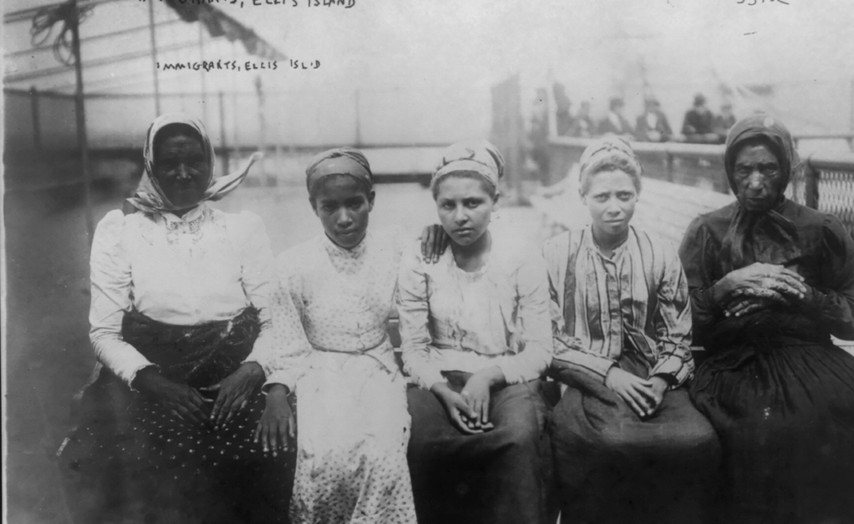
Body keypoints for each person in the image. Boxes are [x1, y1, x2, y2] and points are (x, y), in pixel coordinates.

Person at [678, 114, 854, 524]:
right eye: (744, 169)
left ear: (786, 170)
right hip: (733, 365)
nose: (755, 181)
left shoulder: (821, 229)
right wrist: (726, 288)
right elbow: (676, 314)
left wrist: (804, 296)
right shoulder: (707, 231)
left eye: (768, 169)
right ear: (730, 172)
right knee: (766, 438)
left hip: (812, 360)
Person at [59, 113, 293, 523]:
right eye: (169, 163)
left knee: (267, 452)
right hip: (154, 382)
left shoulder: (242, 229)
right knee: (126, 464)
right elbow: (105, 333)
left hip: (232, 381)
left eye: (195, 162)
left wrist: (254, 369)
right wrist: (154, 384)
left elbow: (276, 321)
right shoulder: (122, 231)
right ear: (151, 166)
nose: (184, 174)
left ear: (210, 164)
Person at [544, 136, 720, 524]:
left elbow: (678, 336)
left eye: (624, 195)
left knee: (697, 439)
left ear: (638, 195)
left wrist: (659, 381)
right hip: (584, 377)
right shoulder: (557, 253)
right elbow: (546, 338)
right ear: (583, 196)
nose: (614, 207)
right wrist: (608, 374)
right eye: (602, 196)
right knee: (609, 443)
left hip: (653, 378)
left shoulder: (659, 252)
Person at [256, 148, 418, 524]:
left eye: (355, 204)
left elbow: (430, 264)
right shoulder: (293, 266)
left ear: (371, 201)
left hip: (378, 366)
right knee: (323, 454)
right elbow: (287, 342)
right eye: (330, 207)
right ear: (314, 207)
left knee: (383, 451)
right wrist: (277, 391)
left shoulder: (395, 249)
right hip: (321, 372)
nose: (344, 218)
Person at [398, 141, 555, 524]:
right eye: (447, 206)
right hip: (438, 378)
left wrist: (488, 376)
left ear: (495, 201)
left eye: (473, 203)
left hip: (506, 376)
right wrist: (441, 390)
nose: (460, 217)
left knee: (517, 440)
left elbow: (539, 350)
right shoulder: (422, 256)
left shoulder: (520, 255)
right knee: (421, 443)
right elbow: (415, 349)